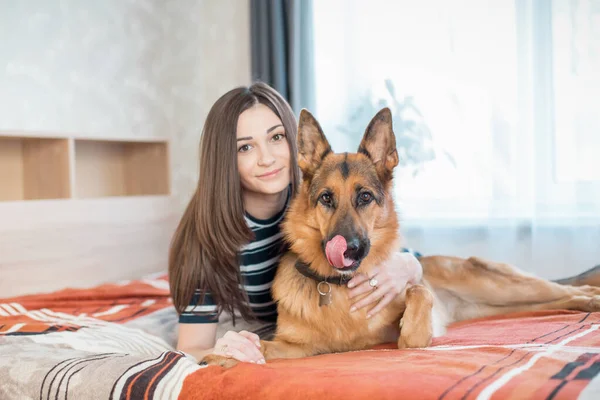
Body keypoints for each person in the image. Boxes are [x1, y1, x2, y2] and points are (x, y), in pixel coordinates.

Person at [168, 82, 422, 365]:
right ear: (224, 158)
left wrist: (410, 264)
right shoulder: (208, 236)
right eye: (246, 147)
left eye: (276, 138)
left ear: (296, 143)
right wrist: (227, 348)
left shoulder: (314, 196)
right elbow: (192, 347)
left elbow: (384, 247)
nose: (267, 159)